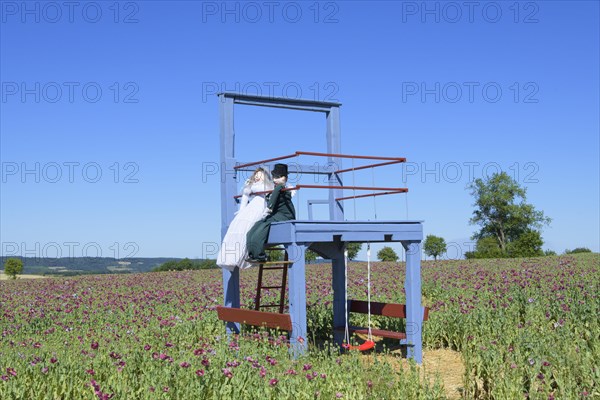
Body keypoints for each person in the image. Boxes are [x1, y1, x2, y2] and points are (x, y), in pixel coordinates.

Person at [217, 167, 274, 271]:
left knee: (249, 226)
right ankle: (231, 257)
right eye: (256, 175)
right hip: (252, 206)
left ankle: (243, 254)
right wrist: (241, 210)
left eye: (259, 174)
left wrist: (249, 187)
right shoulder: (252, 185)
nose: (257, 177)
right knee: (239, 225)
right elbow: (245, 198)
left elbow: (268, 194)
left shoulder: (268, 185)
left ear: (264, 175)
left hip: (261, 205)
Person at [245, 163, 296, 263]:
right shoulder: (274, 188)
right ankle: (252, 254)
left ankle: (260, 255)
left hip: (285, 216)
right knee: (254, 228)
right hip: (275, 215)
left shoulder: (281, 188)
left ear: (284, 178)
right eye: (274, 177)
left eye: (278, 177)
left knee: (263, 228)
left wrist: (269, 208)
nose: (275, 180)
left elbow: (274, 197)